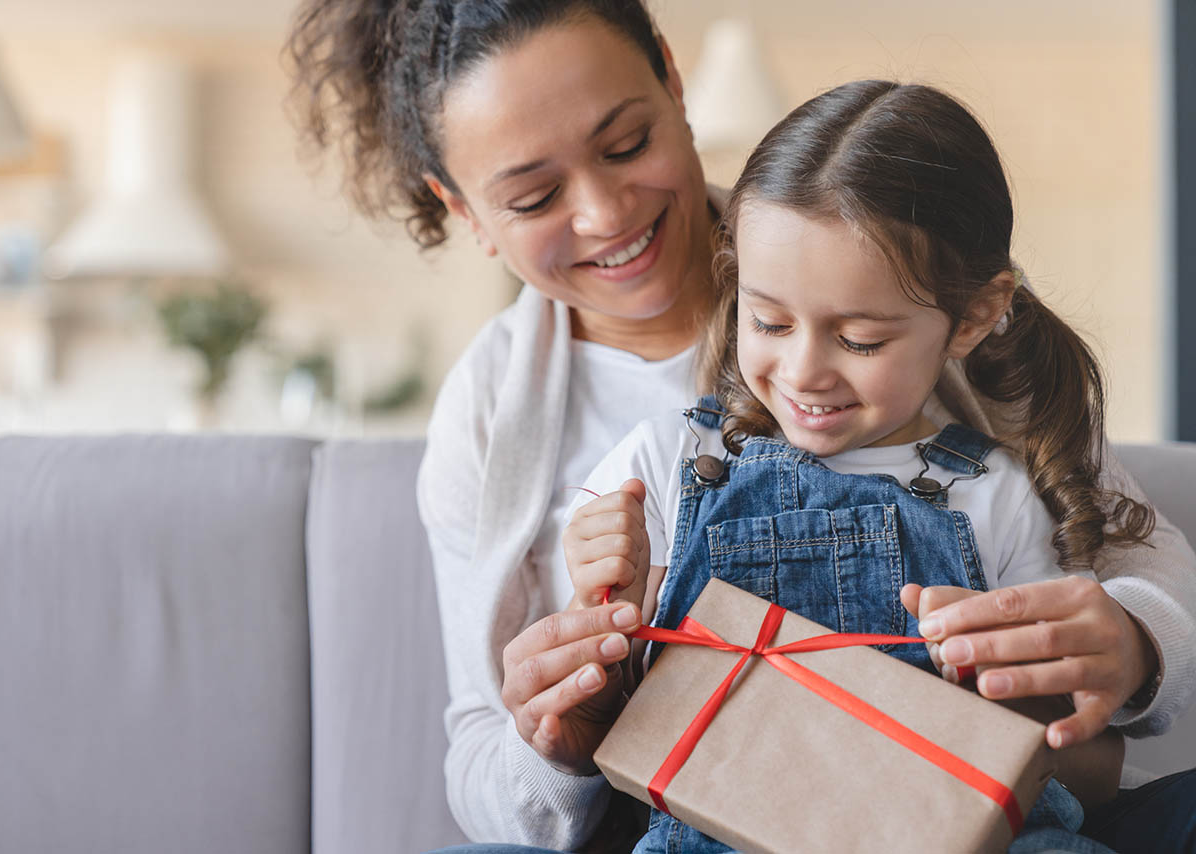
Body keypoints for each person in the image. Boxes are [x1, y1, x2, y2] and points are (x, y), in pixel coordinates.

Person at [282, 2, 1196, 851]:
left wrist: (1132, 642)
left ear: (675, 86)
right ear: (463, 210)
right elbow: (485, 768)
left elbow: (1124, 550)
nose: (605, 214)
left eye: (627, 142)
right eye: (531, 198)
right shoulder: (503, 418)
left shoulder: (886, 257)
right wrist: (561, 734)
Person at [564, 79, 1148, 853]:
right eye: (768, 321)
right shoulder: (664, 465)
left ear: (973, 316)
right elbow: (595, 690)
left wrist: (1013, 696)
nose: (804, 371)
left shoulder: (996, 494)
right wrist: (603, 603)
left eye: (861, 340)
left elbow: (1067, 744)